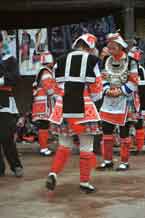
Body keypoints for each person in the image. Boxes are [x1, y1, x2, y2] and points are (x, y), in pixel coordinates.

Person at [46, 33, 103, 193]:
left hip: (62, 108)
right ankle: (84, 182)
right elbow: (97, 89)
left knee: (64, 145)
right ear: (90, 47)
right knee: (86, 146)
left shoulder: (60, 60)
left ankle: (53, 173)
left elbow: (54, 87)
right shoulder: (92, 61)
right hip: (84, 109)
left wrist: (62, 98)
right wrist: (91, 98)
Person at [99, 32, 139, 171]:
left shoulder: (131, 61)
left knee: (124, 131)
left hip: (125, 99)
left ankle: (124, 161)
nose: (110, 49)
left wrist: (120, 91)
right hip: (109, 99)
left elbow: (134, 81)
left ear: (121, 47)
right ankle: (107, 160)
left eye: (113, 46)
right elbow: (102, 78)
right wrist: (107, 90)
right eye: (109, 47)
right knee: (107, 131)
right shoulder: (106, 60)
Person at [0, 32, 23, 177]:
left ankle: (15, 165)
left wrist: (1, 80)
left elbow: (14, 78)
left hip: (4, 100)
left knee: (6, 136)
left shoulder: (9, 60)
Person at [32, 51, 55, 156]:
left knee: (43, 126)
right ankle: (44, 149)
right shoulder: (46, 72)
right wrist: (56, 96)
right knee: (44, 126)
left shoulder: (41, 71)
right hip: (44, 103)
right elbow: (49, 88)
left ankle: (44, 147)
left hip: (40, 102)